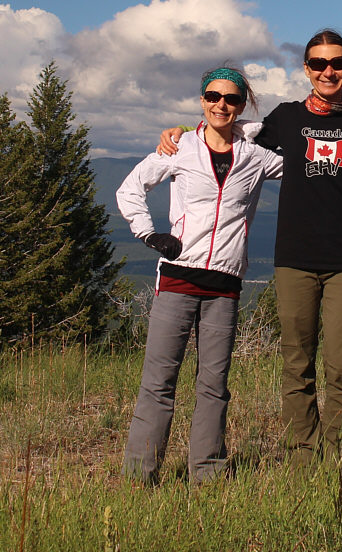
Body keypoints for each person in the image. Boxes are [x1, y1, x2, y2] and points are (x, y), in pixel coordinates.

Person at [160, 30, 342, 467]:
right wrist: (182, 132)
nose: (328, 71)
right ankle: (303, 460)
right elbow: (231, 134)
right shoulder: (285, 118)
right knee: (296, 364)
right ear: (306, 68)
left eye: (337, 63)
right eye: (319, 63)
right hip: (293, 259)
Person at [116, 67, 283, 484]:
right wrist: (149, 234)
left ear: (242, 105)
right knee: (159, 382)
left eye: (230, 99)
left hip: (225, 285)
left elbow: (308, 171)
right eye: (212, 96)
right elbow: (130, 189)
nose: (220, 105)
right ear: (202, 100)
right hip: (177, 278)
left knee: (214, 386)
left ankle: (207, 475)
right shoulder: (180, 148)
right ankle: (140, 477)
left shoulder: (256, 155)